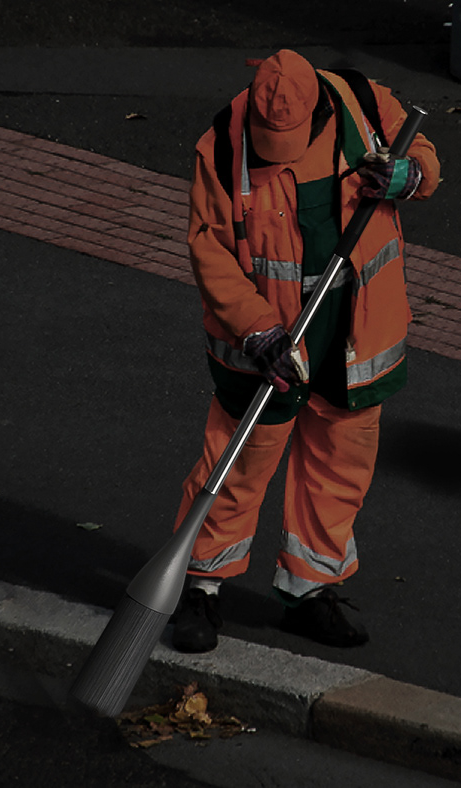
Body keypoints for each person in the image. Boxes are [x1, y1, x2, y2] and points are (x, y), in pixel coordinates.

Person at [169, 49, 440, 653]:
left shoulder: (363, 103)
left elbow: (421, 155)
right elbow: (209, 249)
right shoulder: (220, 148)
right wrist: (257, 328)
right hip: (268, 341)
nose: (271, 152)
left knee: (338, 463)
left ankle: (310, 587)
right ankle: (200, 586)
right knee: (235, 465)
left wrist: (411, 176)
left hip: (356, 329)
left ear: (318, 112)